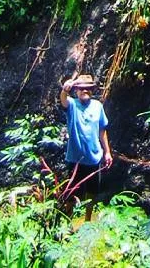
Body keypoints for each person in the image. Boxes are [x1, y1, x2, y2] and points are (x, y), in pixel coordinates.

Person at [59, 73, 112, 212]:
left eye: (88, 88)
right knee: (71, 192)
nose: (85, 91)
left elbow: (102, 130)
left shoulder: (97, 106)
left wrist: (107, 152)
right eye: (81, 88)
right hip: (75, 159)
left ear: (92, 90)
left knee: (92, 193)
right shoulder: (72, 105)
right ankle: (68, 223)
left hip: (93, 157)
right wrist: (65, 90)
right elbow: (63, 100)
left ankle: (88, 222)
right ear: (76, 90)